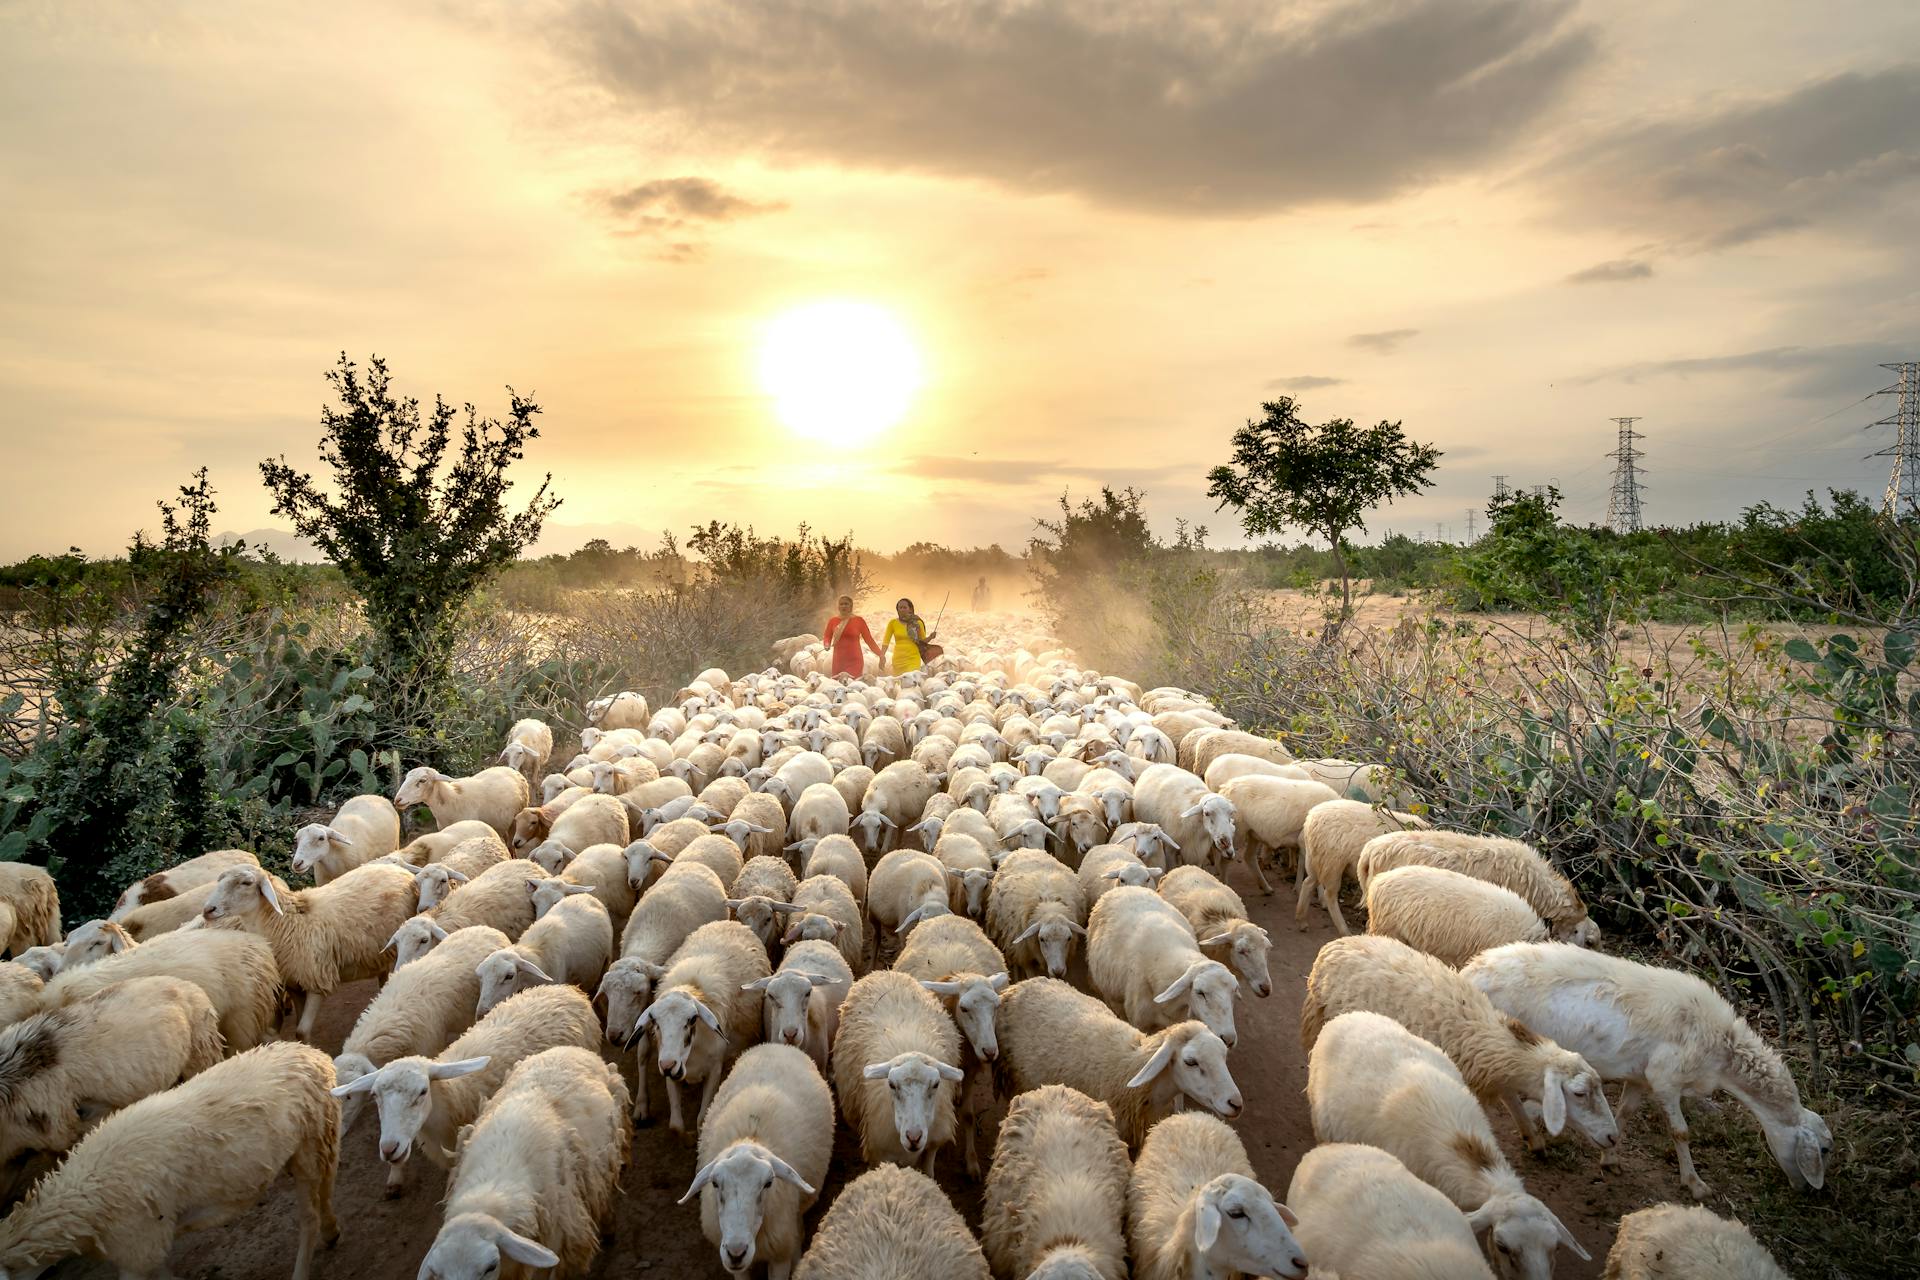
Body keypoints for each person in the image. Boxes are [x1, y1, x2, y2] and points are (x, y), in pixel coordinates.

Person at [821, 595, 880, 681]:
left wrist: (880, 654)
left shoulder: (859, 621)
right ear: (838, 607)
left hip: (855, 660)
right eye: (841, 604)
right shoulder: (833, 621)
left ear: (851, 606)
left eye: (846, 604)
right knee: (838, 686)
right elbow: (827, 636)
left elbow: (869, 640)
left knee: (853, 685)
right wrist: (826, 644)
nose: (844, 606)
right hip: (838, 660)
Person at [879, 596, 936, 676]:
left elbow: (922, 641)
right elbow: (886, 641)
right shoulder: (893, 623)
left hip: (913, 658)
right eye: (900, 608)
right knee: (898, 683)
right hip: (898, 659)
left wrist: (930, 637)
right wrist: (882, 655)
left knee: (911, 680)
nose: (902, 609)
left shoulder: (917, 623)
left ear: (910, 609)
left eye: (905, 607)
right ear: (897, 609)